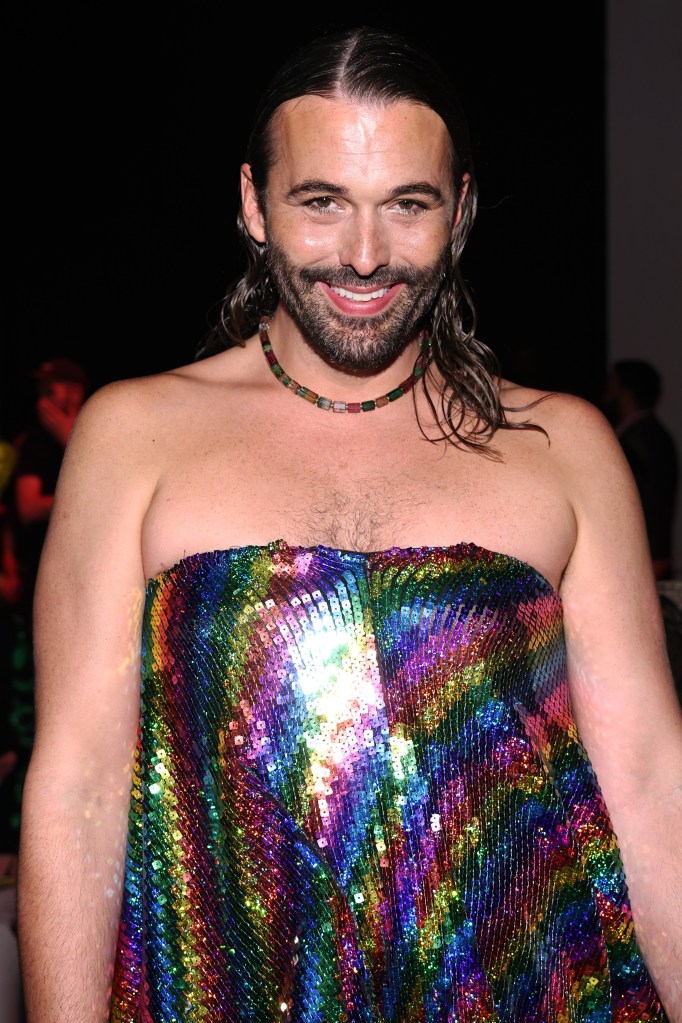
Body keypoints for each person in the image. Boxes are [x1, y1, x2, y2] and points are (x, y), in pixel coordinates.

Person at [17, 26, 682, 1023]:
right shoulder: (133, 436)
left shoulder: (564, 446)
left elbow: (647, 783)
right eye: (321, 202)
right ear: (253, 203)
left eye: (405, 205)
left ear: (457, 210)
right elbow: (77, 789)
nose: (364, 257)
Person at [602, 359, 679, 581]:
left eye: (612, 383)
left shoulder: (638, 439)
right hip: (650, 557)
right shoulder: (653, 434)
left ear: (626, 391)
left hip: (639, 562)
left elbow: (623, 503)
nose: (606, 390)